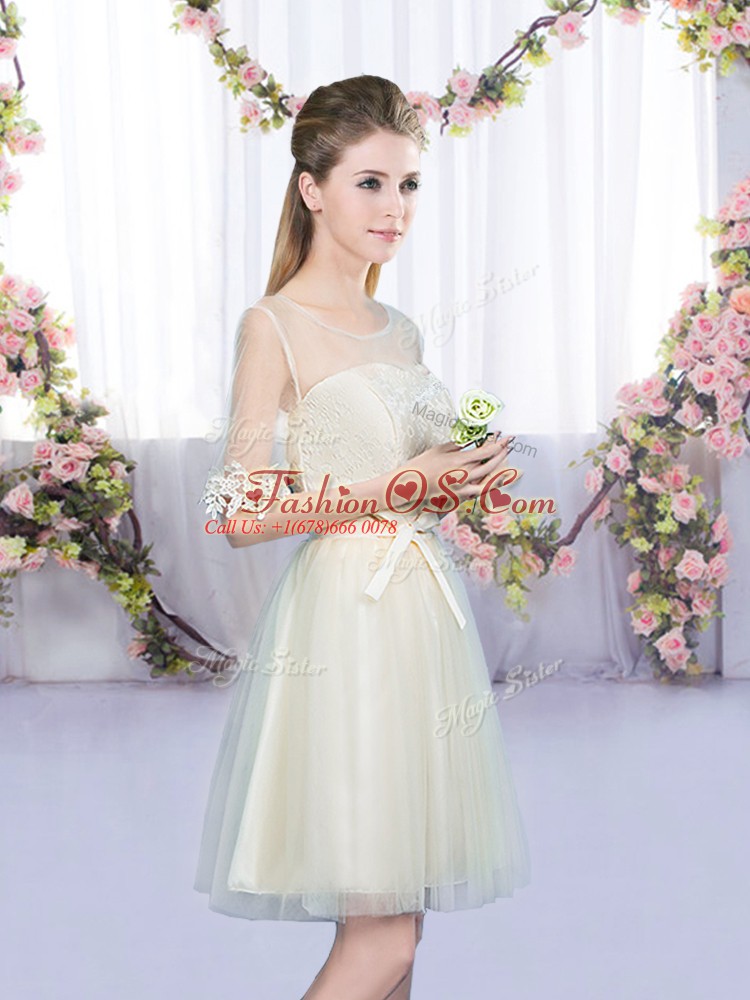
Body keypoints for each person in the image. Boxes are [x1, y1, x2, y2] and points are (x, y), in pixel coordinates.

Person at [194, 73, 531, 1000]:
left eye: (409, 184)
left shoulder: (401, 330)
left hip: (420, 615)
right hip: (347, 623)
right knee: (381, 940)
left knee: (400, 932)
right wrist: (398, 486)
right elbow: (236, 513)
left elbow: (408, 479)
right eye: (370, 183)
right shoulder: (273, 325)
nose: (395, 207)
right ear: (312, 189)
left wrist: (459, 481)